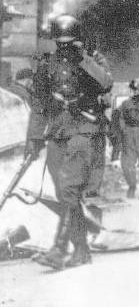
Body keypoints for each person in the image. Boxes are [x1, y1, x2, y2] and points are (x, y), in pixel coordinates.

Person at [25, 14, 113, 270]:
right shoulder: (47, 64)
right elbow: (39, 104)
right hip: (58, 133)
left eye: (69, 41)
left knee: (69, 190)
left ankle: (59, 248)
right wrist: (33, 137)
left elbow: (105, 83)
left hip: (84, 130)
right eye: (60, 41)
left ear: (78, 39)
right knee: (64, 195)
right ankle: (82, 250)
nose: (64, 46)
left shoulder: (92, 60)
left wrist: (82, 59)